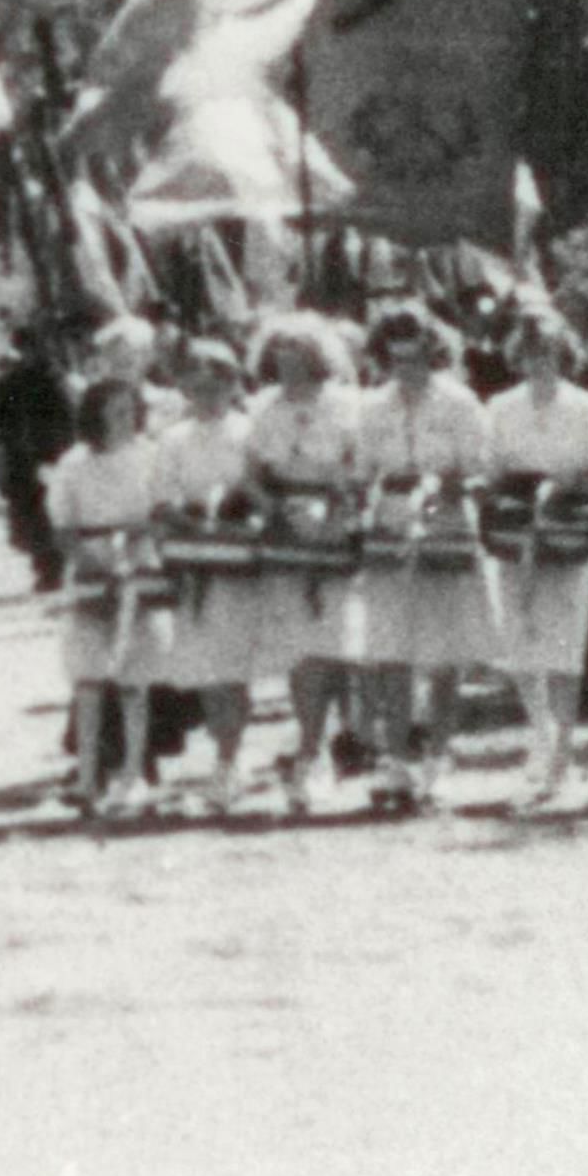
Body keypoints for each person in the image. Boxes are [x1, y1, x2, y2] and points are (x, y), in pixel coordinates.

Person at [349, 304, 490, 812]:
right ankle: (397, 759)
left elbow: (480, 470)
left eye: (417, 357)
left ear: (434, 353)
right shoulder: (370, 408)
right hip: (390, 529)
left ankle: (439, 754)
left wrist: (439, 490)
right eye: (396, 357)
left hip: (445, 525)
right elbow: (362, 472)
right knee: (392, 649)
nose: (406, 368)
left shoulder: (461, 402)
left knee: (445, 652)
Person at [483, 307, 588, 809]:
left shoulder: (586, 406)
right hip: (515, 531)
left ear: (564, 355)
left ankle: (563, 753)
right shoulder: (499, 406)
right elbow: (488, 468)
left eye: (549, 353)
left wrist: (585, 478)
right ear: (517, 356)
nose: (539, 362)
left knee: (564, 643)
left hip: (569, 528)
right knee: (520, 637)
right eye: (530, 353)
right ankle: (540, 737)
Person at [243, 314, 364, 813]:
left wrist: (336, 513)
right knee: (299, 647)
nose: (289, 369)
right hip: (286, 532)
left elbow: (360, 468)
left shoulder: (346, 407)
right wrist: (274, 508)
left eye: (299, 359)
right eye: (280, 359)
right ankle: (312, 748)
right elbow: (252, 473)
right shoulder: (263, 411)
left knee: (335, 642)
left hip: (337, 528)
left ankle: (329, 745)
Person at [47, 375, 170, 815]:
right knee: (89, 677)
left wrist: (137, 545)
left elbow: (161, 511)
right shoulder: (74, 463)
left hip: (138, 564)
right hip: (90, 566)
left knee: (134, 676)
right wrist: (93, 560)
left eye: (130, 410)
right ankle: (86, 775)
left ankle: (134, 773)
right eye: (114, 410)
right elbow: (62, 527)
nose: (124, 419)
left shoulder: (152, 456)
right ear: (95, 413)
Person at [148, 336, 259, 812]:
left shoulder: (251, 432)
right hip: (194, 561)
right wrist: (189, 520)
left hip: (239, 562)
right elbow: (161, 500)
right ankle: (223, 756)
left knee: (235, 668)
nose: (208, 395)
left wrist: (240, 520)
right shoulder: (173, 439)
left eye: (218, 385)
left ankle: (231, 759)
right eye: (197, 386)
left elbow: (262, 491)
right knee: (207, 668)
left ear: (234, 385)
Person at [0, 325, 72, 593]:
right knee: (30, 515)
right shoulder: (12, 382)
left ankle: (52, 569)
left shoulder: (53, 379)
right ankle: (43, 567)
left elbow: (67, 419)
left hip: (49, 455)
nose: (27, 355)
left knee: (50, 512)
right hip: (22, 458)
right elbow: (0, 416)